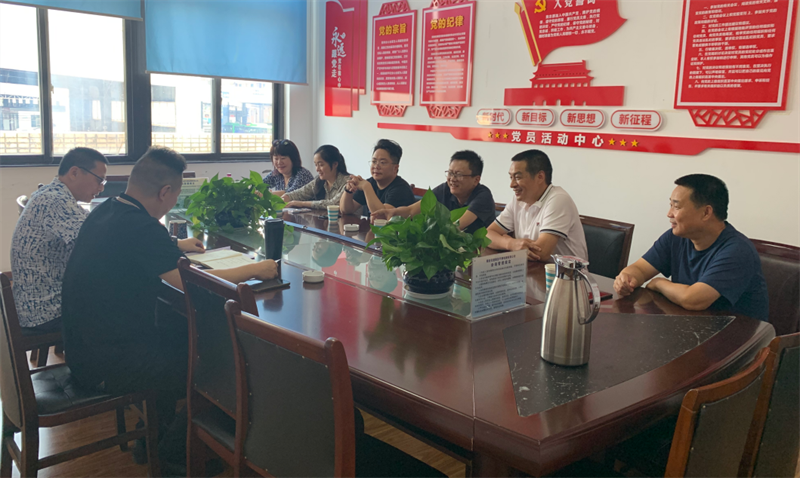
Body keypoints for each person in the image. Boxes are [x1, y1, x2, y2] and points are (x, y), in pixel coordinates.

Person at [61, 146, 278, 471]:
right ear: (165, 192)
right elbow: (192, 282)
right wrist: (256, 269)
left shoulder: (108, 209)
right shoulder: (141, 227)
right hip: (107, 363)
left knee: (182, 336)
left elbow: (141, 248)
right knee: (221, 367)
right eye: (174, 196)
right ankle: (174, 456)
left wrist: (174, 244)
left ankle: (151, 438)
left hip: (84, 349)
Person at [614, 174, 769, 320]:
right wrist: (627, 279)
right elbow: (640, 269)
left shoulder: (737, 250)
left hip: (736, 334)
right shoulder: (675, 237)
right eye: (670, 205)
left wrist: (658, 283)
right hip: (691, 326)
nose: (669, 214)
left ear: (706, 212)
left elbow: (693, 300)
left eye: (676, 207)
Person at [11, 147, 108, 333]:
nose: (101, 188)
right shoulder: (55, 201)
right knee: (125, 304)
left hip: (35, 304)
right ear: (74, 172)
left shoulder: (51, 193)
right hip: (46, 312)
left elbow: (91, 230)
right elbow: (98, 244)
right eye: (99, 180)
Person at [486, 149, 587, 262]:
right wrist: (510, 243)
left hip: (566, 272)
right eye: (511, 177)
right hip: (529, 268)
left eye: (518, 177)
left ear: (540, 177)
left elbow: (540, 253)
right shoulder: (517, 200)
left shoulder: (559, 199)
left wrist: (502, 239)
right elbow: (486, 235)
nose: (512, 184)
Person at [371, 150, 495, 234]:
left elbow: (456, 226)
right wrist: (392, 212)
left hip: (479, 255)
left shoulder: (483, 196)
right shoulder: (445, 189)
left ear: (476, 180)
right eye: (450, 173)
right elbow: (411, 210)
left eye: (458, 174)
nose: (452, 179)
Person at [339, 139, 416, 217]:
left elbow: (383, 217)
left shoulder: (401, 189)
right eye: (374, 161)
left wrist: (367, 187)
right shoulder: (370, 182)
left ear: (395, 168)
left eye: (382, 162)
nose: (376, 166)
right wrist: (348, 190)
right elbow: (346, 210)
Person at [282, 144, 350, 209]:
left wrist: (302, 203)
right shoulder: (318, 181)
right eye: (316, 165)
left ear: (335, 164)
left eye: (321, 165)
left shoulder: (348, 182)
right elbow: (300, 193)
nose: (317, 169)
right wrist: (285, 197)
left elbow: (334, 203)